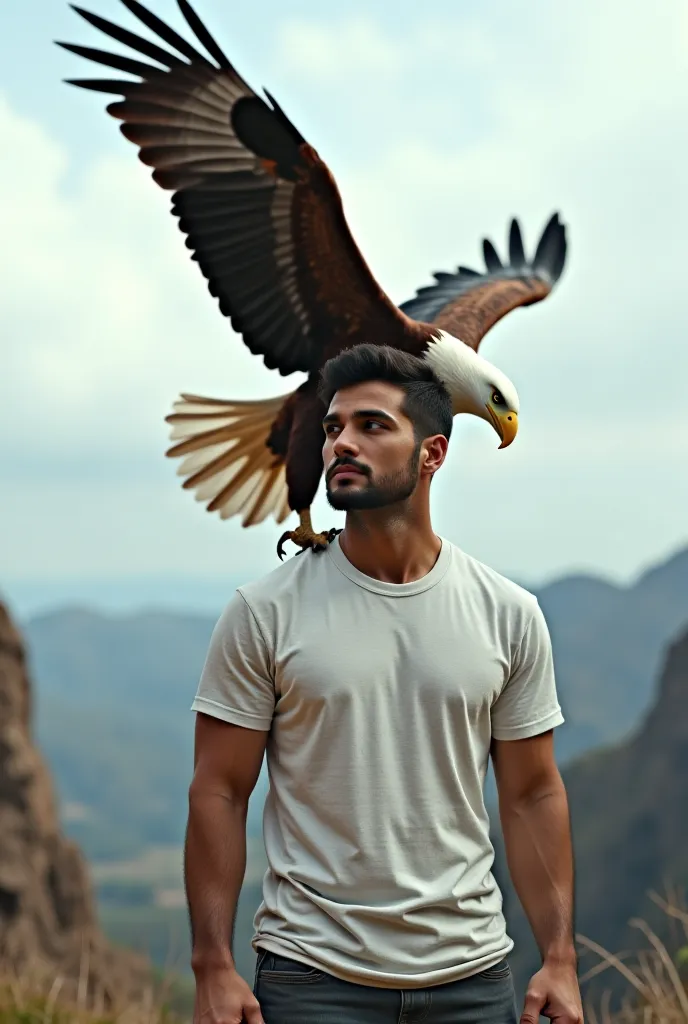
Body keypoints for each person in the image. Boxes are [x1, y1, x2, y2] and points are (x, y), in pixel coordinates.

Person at [184, 343, 583, 1024]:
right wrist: (212, 967)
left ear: (432, 454)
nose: (342, 441)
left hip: (474, 980)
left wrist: (560, 958)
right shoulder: (264, 612)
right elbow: (219, 791)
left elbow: (532, 793)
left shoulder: (508, 615)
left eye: (372, 426)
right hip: (313, 980)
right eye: (334, 426)